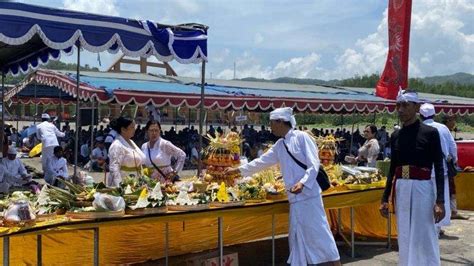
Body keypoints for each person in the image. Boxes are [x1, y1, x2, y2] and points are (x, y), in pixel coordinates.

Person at [225, 107, 340, 266]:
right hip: (295, 199)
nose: (270, 127)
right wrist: (237, 170)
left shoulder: (302, 137)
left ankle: (335, 264)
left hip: (309, 197)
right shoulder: (280, 145)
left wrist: (303, 183)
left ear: (280, 122)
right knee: (297, 238)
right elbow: (261, 162)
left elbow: (314, 164)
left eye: (272, 123)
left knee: (321, 236)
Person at [380, 90, 445, 266]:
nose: (401, 110)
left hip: (422, 188)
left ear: (416, 107)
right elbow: (393, 168)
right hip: (401, 188)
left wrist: (440, 201)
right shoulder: (396, 136)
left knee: (423, 231)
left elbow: (439, 167)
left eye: (406, 105)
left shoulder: (430, 133)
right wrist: (385, 198)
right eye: (398, 105)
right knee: (405, 232)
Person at [420, 103, 458, 236]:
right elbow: (453, 147)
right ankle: (437, 227)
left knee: (425, 200)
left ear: (420, 115)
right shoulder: (442, 128)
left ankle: (428, 227)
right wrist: (453, 161)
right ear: (434, 114)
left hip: (423, 172)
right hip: (441, 171)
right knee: (441, 199)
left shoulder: (419, 128)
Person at [441, 114, 468, 220]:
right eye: (452, 120)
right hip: (446, 164)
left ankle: (453, 210)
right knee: (449, 189)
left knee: (450, 189)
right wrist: (454, 161)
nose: (454, 123)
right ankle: (452, 211)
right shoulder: (445, 131)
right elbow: (452, 148)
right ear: (447, 121)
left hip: (443, 165)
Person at [108, 117, 146, 187]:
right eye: (132, 127)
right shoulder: (117, 145)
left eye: (134, 127)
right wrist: (120, 187)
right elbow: (114, 168)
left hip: (135, 182)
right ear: (123, 129)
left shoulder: (131, 142)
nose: (134, 129)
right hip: (124, 183)